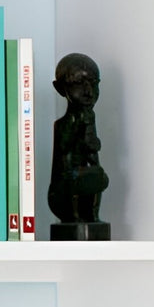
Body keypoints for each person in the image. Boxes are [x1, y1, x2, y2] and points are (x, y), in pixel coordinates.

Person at [47, 52, 109, 229]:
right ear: (61, 88)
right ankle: (74, 215)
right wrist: (78, 125)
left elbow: (92, 155)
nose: (88, 91)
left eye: (94, 83)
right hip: (62, 189)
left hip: (82, 177)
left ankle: (92, 214)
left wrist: (92, 143)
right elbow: (64, 150)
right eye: (79, 83)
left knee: (99, 176)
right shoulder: (63, 123)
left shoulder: (90, 117)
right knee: (74, 179)